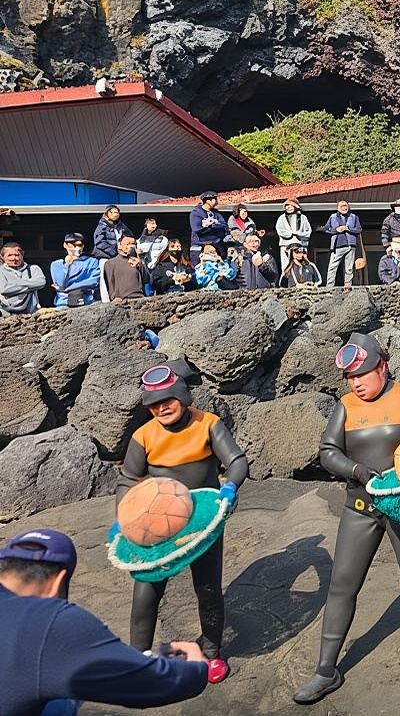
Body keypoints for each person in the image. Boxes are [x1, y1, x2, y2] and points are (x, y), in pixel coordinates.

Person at [293, 333, 400, 704]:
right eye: (351, 378)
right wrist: (358, 471)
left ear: (382, 366)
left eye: (363, 374)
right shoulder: (346, 406)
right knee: (342, 585)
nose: (357, 383)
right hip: (361, 508)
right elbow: (327, 452)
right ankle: (325, 670)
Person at [112, 365, 247, 685]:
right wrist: (121, 519)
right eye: (154, 404)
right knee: (146, 588)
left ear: (182, 396)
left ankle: (212, 652)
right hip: (158, 523)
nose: (162, 407)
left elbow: (237, 460)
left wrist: (229, 487)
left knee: (209, 588)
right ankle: (139, 656)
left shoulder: (208, 424)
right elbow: (128, 479)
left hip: (203, 520)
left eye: (168, 399)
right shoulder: (144, 436)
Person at [0, 529, 210, 716]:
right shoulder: (50, 622)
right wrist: (197, 668)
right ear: (58, 582)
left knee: (59, 693)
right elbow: (155, 684)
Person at [50, 233, 101, 309]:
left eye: (79, 245)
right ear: (65, 245)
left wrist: (67, 288)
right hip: (63, 304)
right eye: (73, 245)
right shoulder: (56, 264)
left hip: (87, 303)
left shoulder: (92, 262)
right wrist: (67, 265)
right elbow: (61, 285)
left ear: (83, 246)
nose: (76, 248)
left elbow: (94, 281)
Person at [323, 201, 363, 288]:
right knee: (332, 266)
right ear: (338, 207)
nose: (344, 208)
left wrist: (348, 228)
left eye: (346, 206)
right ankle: (329, 287)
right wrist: (336, 230)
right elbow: (326, 229)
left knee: (349, 267)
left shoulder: (354, 217)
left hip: (350, 245)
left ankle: (348, 286)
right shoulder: (333, 217)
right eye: (342, 206)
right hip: (337, 245)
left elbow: (359, 229)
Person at [0, 241, 46, 316]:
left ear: (22, 254)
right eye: (10, 255)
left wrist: (15, 285)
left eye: (17, 255)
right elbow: (4, 290)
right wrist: (31, 286)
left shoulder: (33, 269)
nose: (14, 258)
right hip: (7, 311)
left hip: (30, 312)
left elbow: (41, 282)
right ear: (2, 256)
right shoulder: (1, 271)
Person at [101, 236, 146, 301]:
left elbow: (146, 280)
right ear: (119, 246)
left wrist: (141, 265)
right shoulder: (110, 263)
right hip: (121, 300)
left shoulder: (137, 262)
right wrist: (114, 298)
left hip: (139, 297)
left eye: (133, 244)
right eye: (127, 244)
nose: (131, 246)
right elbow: (110, 285)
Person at [189, 192, 228, 260]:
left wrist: (212, 225)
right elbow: (197, 229)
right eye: (214, 199)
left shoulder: (216, 213)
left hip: (216, 246)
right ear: (207, 201)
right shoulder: (196, 213)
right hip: (199, 246)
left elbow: (223, 225)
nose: (216, 201)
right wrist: (211, 226)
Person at [275, 198, 312, 264]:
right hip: (285, 245)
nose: (288, 207)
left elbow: (308, 230)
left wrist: (299, 234)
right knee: (286, 263)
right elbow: (279, 229)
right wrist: (290, 234)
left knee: (301, 263)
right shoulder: (282, 218)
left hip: (300, 244)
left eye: (290, 205)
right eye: (286, 206)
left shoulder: (303, 217)